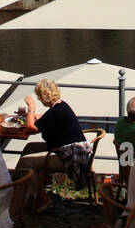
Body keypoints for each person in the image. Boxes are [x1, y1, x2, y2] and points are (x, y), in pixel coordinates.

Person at [15, 79, 88, 210]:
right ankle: (29, 192)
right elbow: (46, 118)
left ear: (42, 97)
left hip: (70, 157)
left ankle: (42, 199)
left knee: (26, 163)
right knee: (29, 148)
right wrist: (29, 115)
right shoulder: (60, 106)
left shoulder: (56, 111)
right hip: (70, 149)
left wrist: (31, 108)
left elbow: (31, 129)